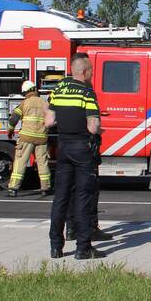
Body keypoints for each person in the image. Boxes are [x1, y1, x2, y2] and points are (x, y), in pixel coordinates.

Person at [45, 53, 104, 259]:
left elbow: (49, 121)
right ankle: (83, 248)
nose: (91, 75)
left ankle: (55, 246)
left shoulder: (58, 90)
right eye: (91, 71)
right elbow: (93, 126)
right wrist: (98, 129)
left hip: (63, 147)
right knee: (83, 197)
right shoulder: (87, 92)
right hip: (82, 148)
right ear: (85, 72)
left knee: (61, 197)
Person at [5, 80, 51, 198]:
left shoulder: (24, 103)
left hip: (26, 138)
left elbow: (13, 119)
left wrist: (10, 130)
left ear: (26, 92)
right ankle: (46, 188)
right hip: (41, 138)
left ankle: (13, 188)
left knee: (20, 162)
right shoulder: (45, 103)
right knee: (42, 163)